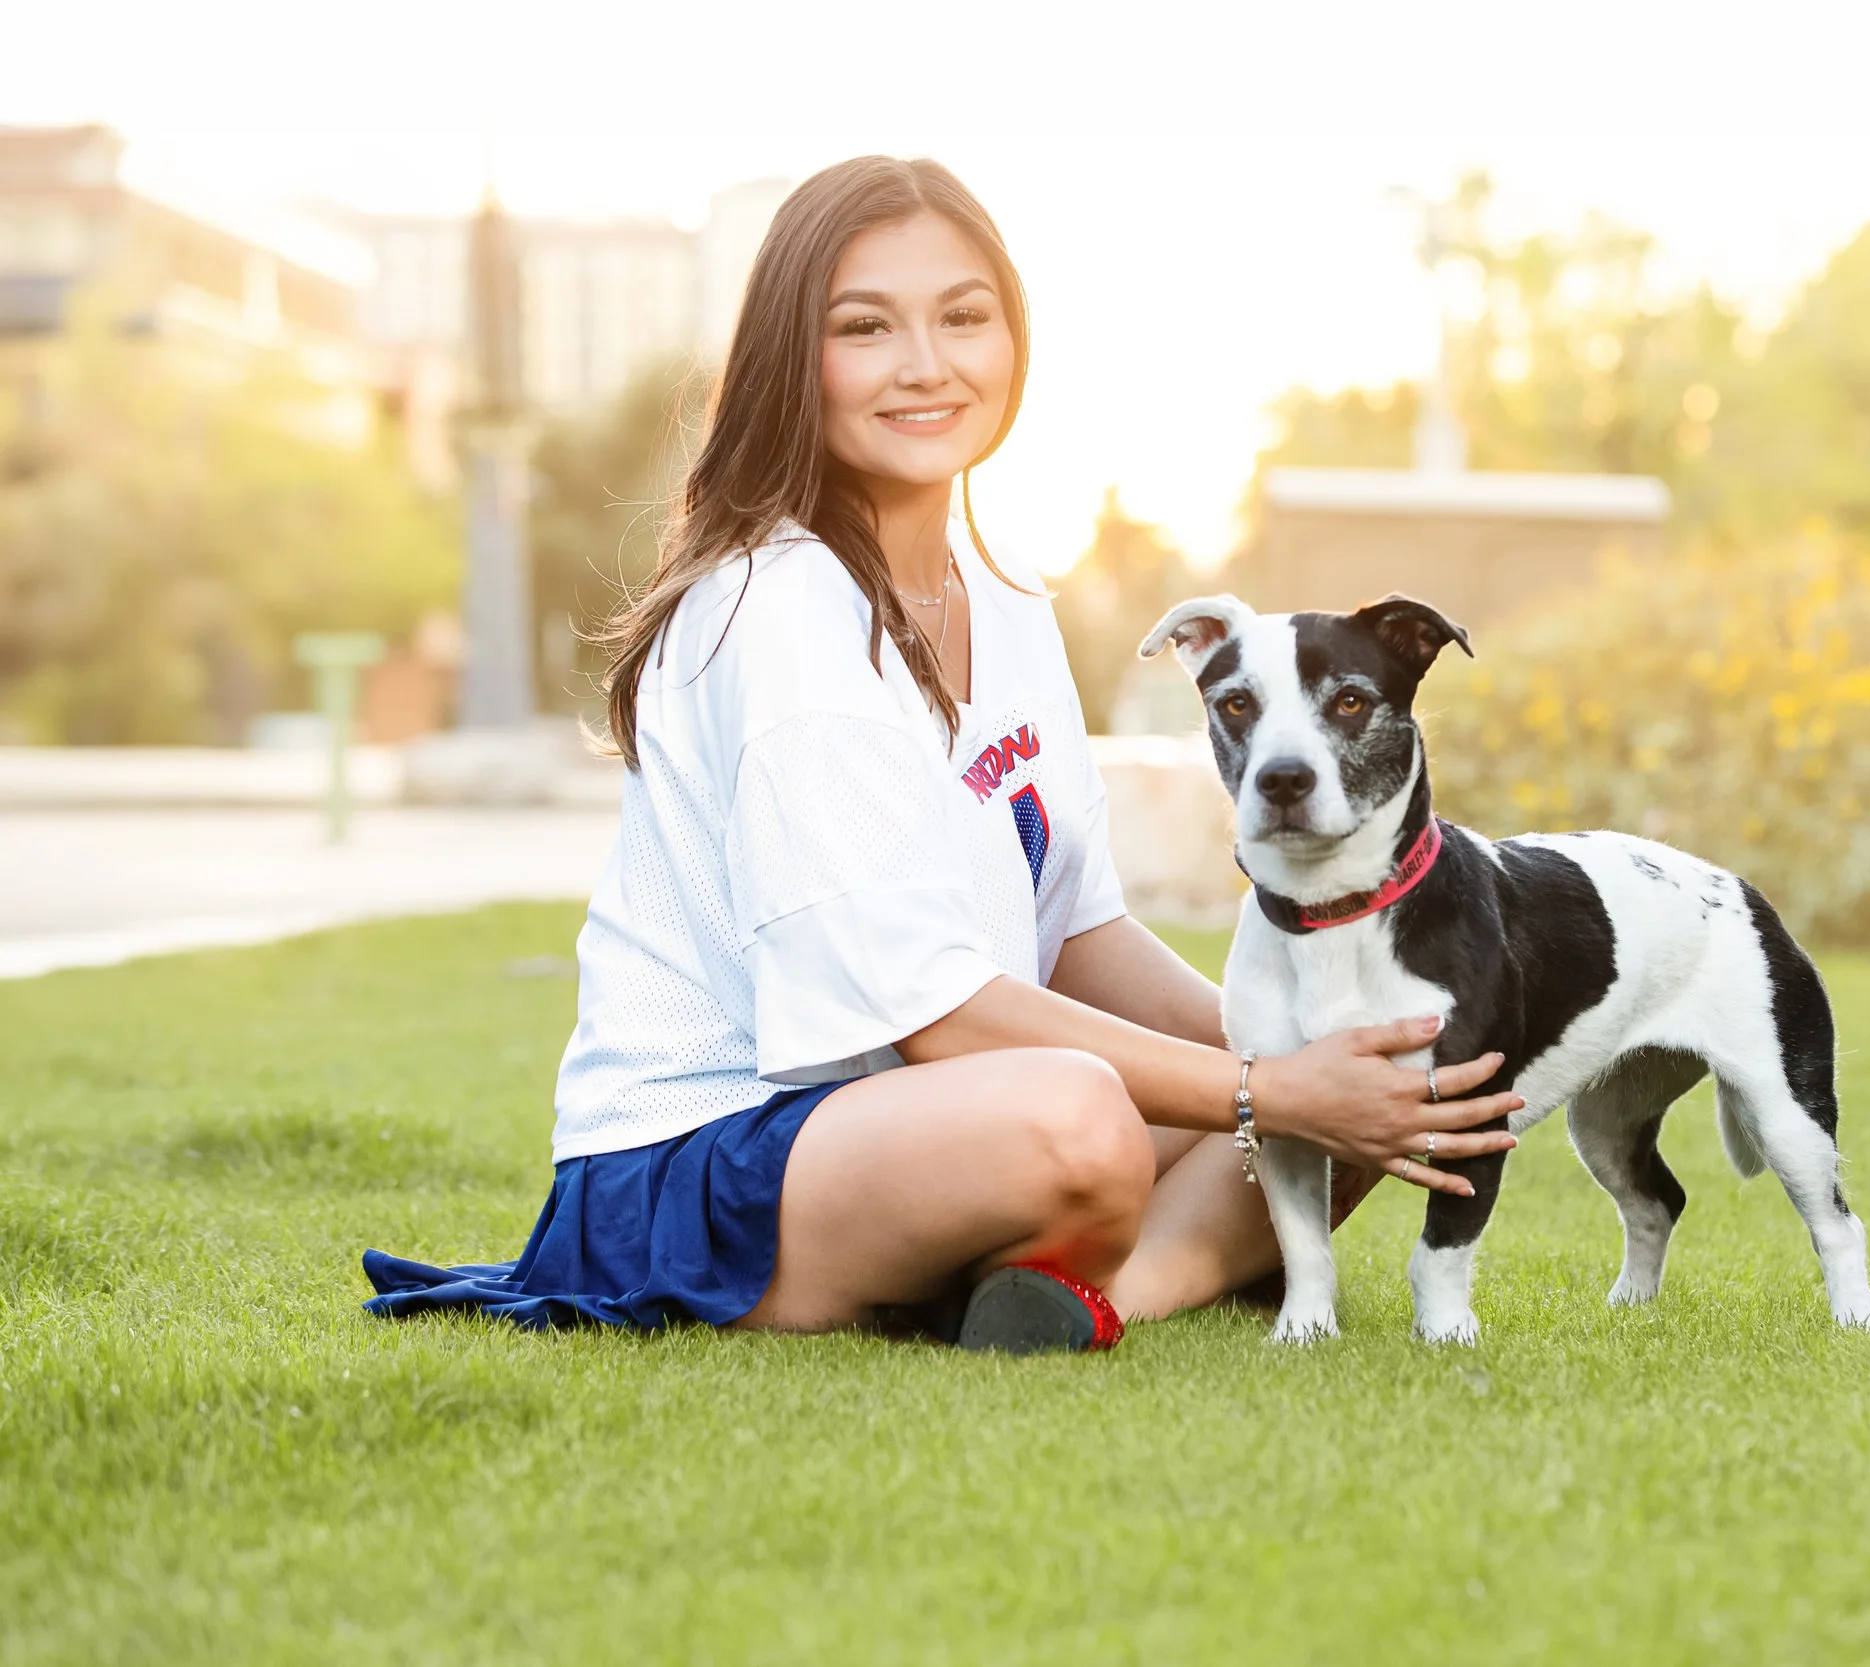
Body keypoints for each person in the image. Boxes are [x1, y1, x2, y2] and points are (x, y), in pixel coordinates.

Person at [363, 156, 1523, 1351]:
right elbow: (937, 1019)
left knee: (1367, 1081)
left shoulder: (1009, 596)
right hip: (699, 1165)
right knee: (1087, 1118)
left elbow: (1077, 929)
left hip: (918, 1116)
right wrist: (1265, 1091)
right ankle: (1059, 1247)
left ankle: (1095, 1300)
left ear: (1011, 336)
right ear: (791, 361)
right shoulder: (776, 609)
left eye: (963, 317)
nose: (927, 364)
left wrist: (1299, 1053)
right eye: (865, 327)